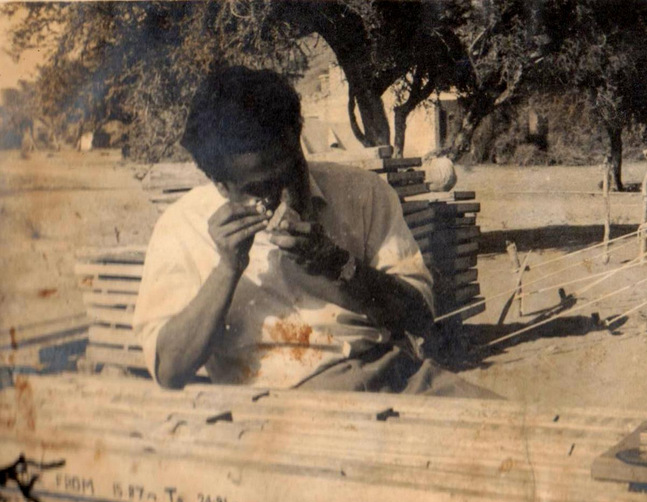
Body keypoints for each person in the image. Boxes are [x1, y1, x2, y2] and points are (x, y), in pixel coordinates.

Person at [133, 66, 497, 398]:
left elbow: (419, 318)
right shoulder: (182, 227)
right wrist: (227, 268)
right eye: (259, 188)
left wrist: (339, 266)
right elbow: (169, 370)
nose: (283, 196)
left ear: (298, 136)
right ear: (221, 184)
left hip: (397, 377)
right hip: (277, 408)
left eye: (290, 171)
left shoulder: (364, 193)